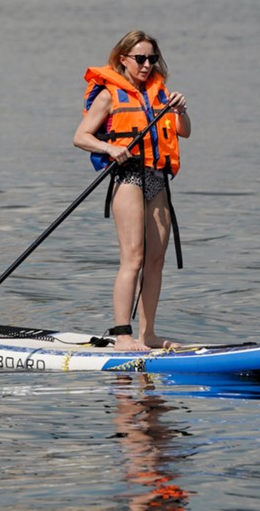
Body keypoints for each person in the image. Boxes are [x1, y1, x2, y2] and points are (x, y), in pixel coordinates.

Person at [73, 29, 191, 351]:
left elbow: (185, 132)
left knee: (156, 260)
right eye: (140, 58)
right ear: (123, 59)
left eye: (152, 58)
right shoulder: (110, 96)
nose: (147, 65)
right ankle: (123, 334)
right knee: (133, 258)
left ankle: (148, 334)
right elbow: (81, 136)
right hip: (128, 178)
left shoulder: (162, 95)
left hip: (157, 179)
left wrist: (180, 110)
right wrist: (109, 149)